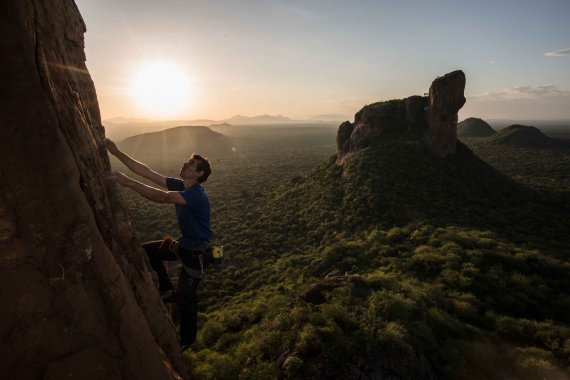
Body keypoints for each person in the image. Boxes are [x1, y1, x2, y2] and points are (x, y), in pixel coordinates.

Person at [104, 138, 212, 352]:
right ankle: (164, 289)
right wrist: (116, 153)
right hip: (183, 245)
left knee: (186, 299)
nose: (185, 164)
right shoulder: (183, 185)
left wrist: (128, 182)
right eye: (187, 161)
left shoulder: (195, 195)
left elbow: (163, 198)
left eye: (190, 164)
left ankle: (186, 340)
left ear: (199, 174)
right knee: (147, 252)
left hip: (196, 253)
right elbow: (149, 173)